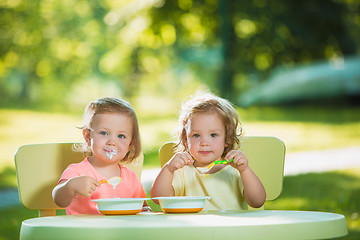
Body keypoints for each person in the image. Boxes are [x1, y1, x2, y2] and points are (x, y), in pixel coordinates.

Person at [151, 92, 266, 210]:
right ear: (186, 139)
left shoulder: (236, 171)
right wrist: (168, 169)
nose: (204, 143)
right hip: (192, 228)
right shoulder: (181, 171)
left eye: (213, 135)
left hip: (229, 228)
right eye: (196, 135)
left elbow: (257, 202)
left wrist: (245, 170)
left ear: (227, 139)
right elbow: (158, 199)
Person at [52, 97, 150, 214]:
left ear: (130, 144)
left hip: (120, 231)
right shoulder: (77, 171)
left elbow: (142, 206)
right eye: (104, 133)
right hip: (83, 231)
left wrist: (145, 211)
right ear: (88, 137)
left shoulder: (131, 178)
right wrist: (70, 186)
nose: (112, 142)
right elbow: (58, 200)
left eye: (121, 136)